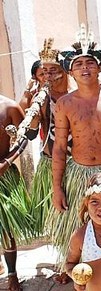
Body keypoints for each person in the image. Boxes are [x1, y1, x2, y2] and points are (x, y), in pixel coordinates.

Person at [49, 24, 101, 283]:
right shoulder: (65, 104)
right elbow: (59, 147)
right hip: (79, 173)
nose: (84, 68)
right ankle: (76, 270)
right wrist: (57, 187)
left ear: (100, 67)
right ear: (70, 71)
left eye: (90, 63)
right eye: (78, 64)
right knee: (78, 223)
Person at [19, 39, 71, 237]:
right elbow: (31, 134)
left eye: (53, 70)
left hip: (78, 163)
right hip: (50, 164)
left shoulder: (76, 95)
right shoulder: (41, 99)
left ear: (64, 71)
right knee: (59, 218)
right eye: (44, 71)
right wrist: (35, 111)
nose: (48, 75)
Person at [0, 95, 33, 291]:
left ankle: (12, 273)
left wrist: (6, 162)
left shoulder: (9, 107)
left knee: (6, 226)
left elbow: (25, 137)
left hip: (3, 174)